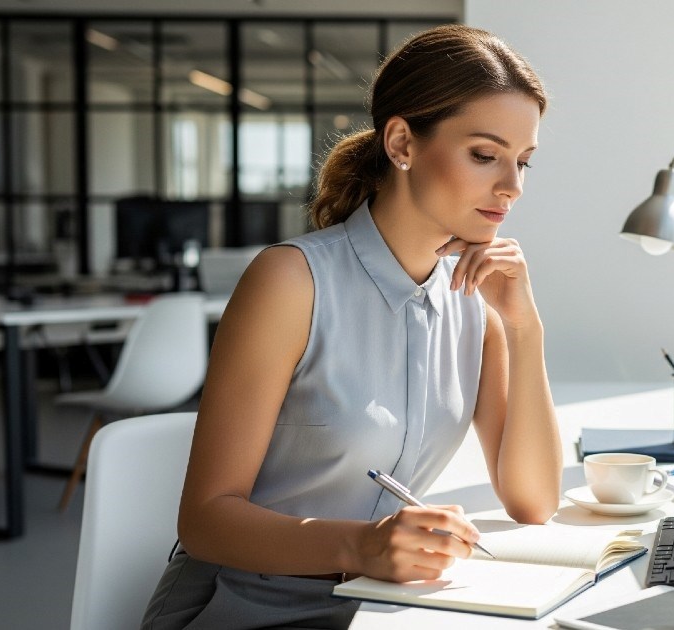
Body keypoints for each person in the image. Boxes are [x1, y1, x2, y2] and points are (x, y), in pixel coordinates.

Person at [141, 24, 562, 629]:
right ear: (402, 143)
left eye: (522, 162)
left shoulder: (475, 302)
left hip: (384, 610)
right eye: (484, 155)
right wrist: (360, 546)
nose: (512, 187)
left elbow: (533, 500)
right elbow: (205, 520)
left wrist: (524, 327)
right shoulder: (290, 281)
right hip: (252, 610)